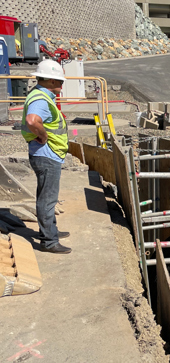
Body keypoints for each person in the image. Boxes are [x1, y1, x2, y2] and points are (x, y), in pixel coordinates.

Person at [21, 59, 71, 254]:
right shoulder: (41, 99)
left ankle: (52, 231)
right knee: (47, 199)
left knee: (48, 196)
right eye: (59, 80)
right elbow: (32, 121)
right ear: (50, 80)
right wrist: (42, 135)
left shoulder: (40, 94)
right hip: (46, 155)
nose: (62, 84)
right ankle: (49, 241)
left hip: (47, 154)